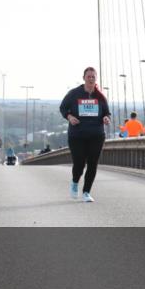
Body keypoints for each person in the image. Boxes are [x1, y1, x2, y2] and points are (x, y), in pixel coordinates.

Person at [59, 66, 111, 202]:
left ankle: (86, 192)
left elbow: (106, 112)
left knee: (93, 164)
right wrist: (69, 117)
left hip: (96, 135)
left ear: (96, 79)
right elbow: (63, 107)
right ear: (84, 78)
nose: (91, 79)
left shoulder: (100, 96)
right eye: (89, 76)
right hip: (77, 135)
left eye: (93, 76)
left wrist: (106, 118)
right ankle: (75, 182)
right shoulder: (74, 93)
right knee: (79, 163)